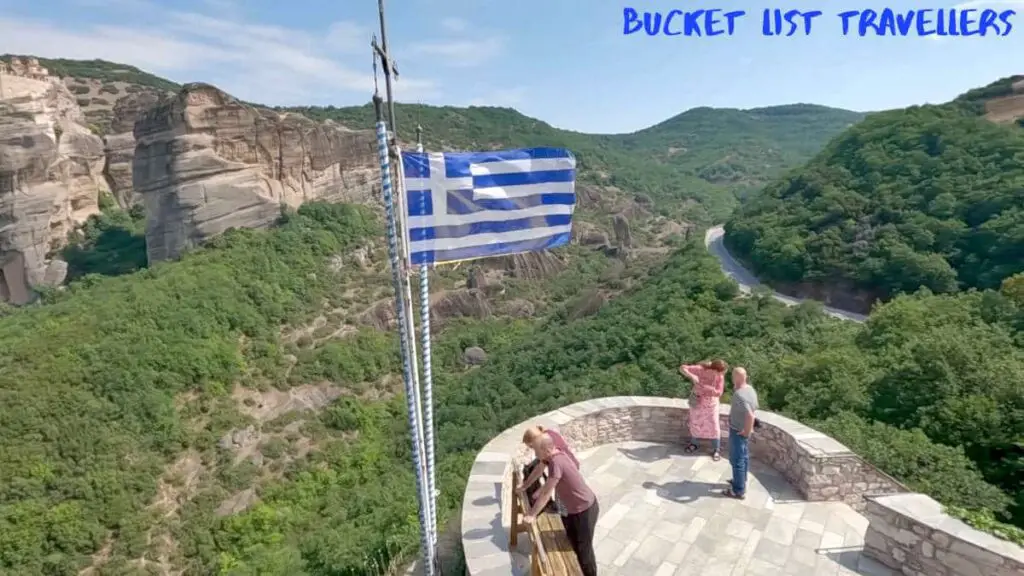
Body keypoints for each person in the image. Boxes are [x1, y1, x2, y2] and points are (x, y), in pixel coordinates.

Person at [522, 434, 599, 576]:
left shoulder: (556, 463)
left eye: (537, 451)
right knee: (572, 542)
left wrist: (532, 515)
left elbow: (546, 493)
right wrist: (526, 487)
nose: (535, 454)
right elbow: (544, 480)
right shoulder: (552, 457)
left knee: (584, 551)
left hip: (585, 510)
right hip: (573, 510)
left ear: (546, 450)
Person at [679, 359, 727, 461]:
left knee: (714, 424)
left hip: (711, 403)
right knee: (695, 423)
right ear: (714, 369)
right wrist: (692, 376)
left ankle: (716, 449)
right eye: (719, 372)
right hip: (697, 401)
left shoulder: (720, 377)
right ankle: (694, 444)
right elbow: (682, 368)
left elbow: (720, 392)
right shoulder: (700, 369)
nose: (720, 375)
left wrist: (710, 389)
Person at [723, 367, 758, 499]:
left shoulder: (739, 394)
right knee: (743, 457)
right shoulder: (750, 390)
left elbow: (750, 415)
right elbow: (753, 409)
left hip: (739, 431)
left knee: (737, 459)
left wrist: (746, 431)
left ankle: (738, 490)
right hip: (742, 429)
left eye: (733, 376)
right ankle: (741, 481)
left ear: (736, 378)